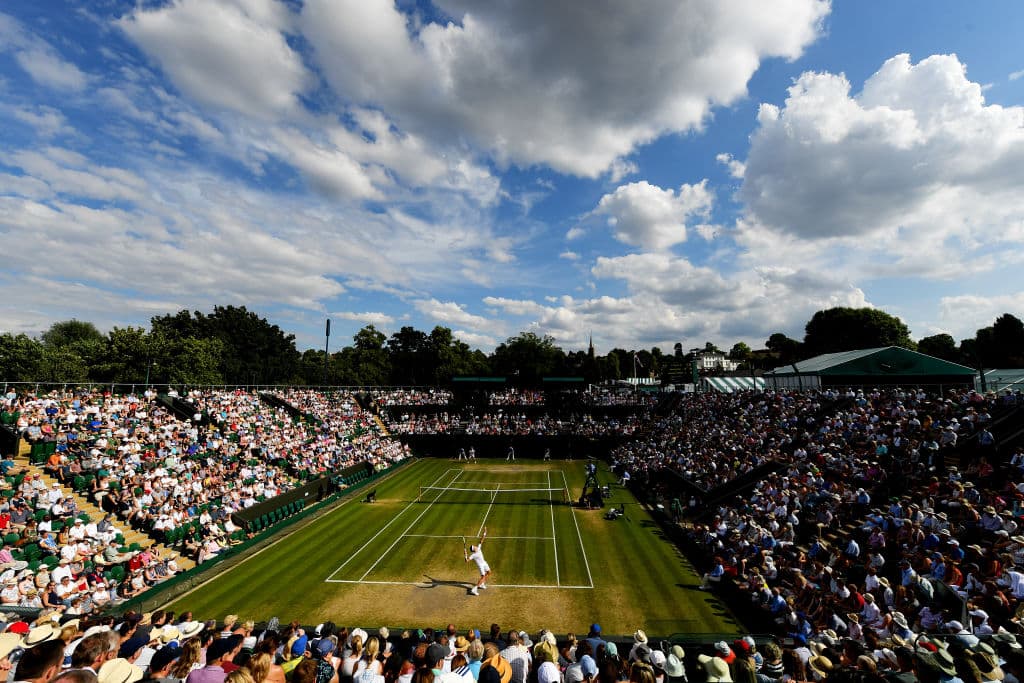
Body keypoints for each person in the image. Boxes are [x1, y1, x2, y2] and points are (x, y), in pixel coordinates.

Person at [465, 528, 491, 596]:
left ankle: (481, 584)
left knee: (489, 572)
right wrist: (465, 556)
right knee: (482, 577)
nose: (475, 546)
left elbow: (481, 540)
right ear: (474, 549)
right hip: (481, 566)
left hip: (484, 562)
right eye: (474, 547)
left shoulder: (479, 548)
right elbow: (467, 561)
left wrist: (485, 533)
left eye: (475, 546)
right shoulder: (473, 555)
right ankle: (474, 589)